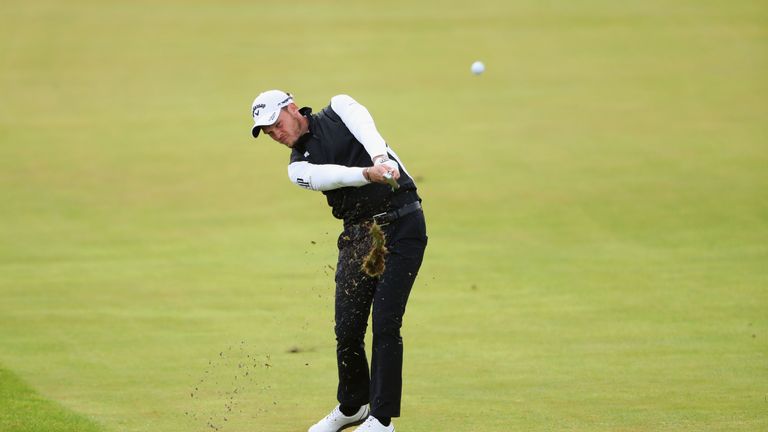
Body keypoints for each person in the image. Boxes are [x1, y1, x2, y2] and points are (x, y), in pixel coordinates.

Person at [249, 90, 428, 432]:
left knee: (386, 322)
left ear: (290, 108)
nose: (275, 134)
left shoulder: (339, 108)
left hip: (403, 223)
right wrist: (368, 173)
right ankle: (353, 406)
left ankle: (381, 419)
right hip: (359, 237)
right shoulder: (297, 168)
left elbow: (366, 127)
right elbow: (331, 176)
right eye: (268, 132)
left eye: (276, 124)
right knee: (347, 329)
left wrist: (379, 157)